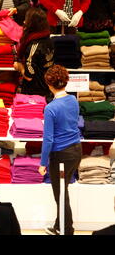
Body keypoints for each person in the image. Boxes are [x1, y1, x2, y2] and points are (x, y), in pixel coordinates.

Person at [38, 65, 82, 235]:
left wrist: (42, 164)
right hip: (76, 150)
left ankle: (67, 230)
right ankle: (59, 226)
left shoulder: (50, 109)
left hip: (61, 155)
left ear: (49, 85)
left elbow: (48, 139)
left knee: (60, 194)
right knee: (64, 191)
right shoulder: (73, 100)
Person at [14, 7, 54, 98]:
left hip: (34, 93)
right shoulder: (49, 40)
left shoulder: (33, 46)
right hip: (47, 88)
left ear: (32, 24)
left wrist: (20, 67)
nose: (24, 22)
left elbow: (29, 76)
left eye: (26, 20)